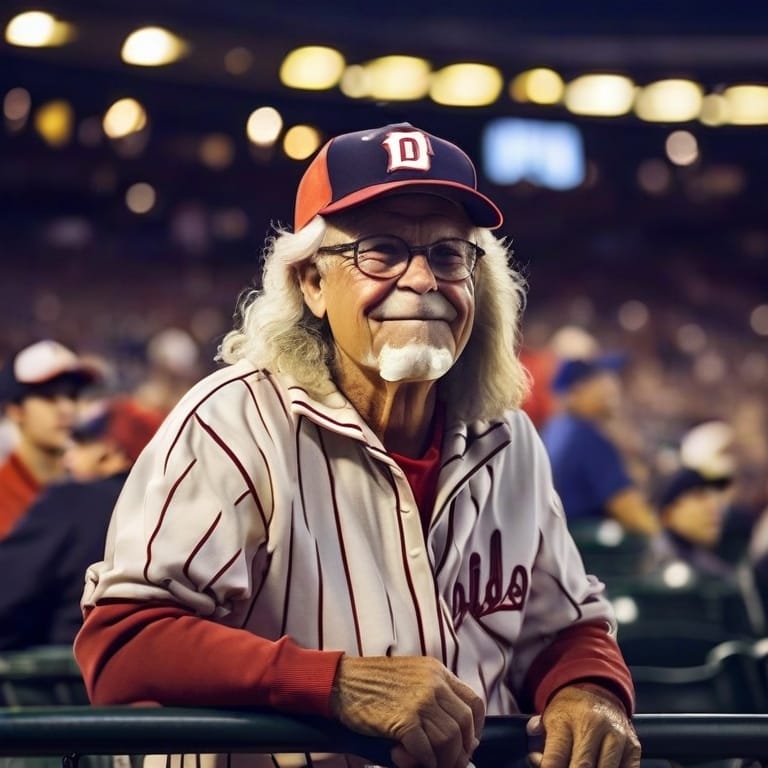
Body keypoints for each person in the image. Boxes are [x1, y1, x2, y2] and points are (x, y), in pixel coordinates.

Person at [75, 122, 640, 768]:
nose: (423, 280)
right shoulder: (230, 422)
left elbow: (567, 627)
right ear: (312, 283)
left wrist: (589, 691)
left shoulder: (507, 436)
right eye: (382, 250)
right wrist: (336, 684)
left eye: (450, 255)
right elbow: (122, 646)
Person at [0, 396, 164, 650]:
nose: (68, 458)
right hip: (152, 672)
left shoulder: (74, 499)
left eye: (81, 445)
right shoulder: (170, 510)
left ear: (111, 454)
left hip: (64, 679)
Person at [540, 355, 661, 537]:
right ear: (577, 390)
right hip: (583, 552)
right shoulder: (585, 438)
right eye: (600, 380)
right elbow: (631, 511)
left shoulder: (554, 428)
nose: (611, 387)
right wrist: (663, 540)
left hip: (553, 542)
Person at [0, 339, 101, 539]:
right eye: (49, 397)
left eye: (72, 396)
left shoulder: (91, 488)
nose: (67, 409)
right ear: (16, 411)